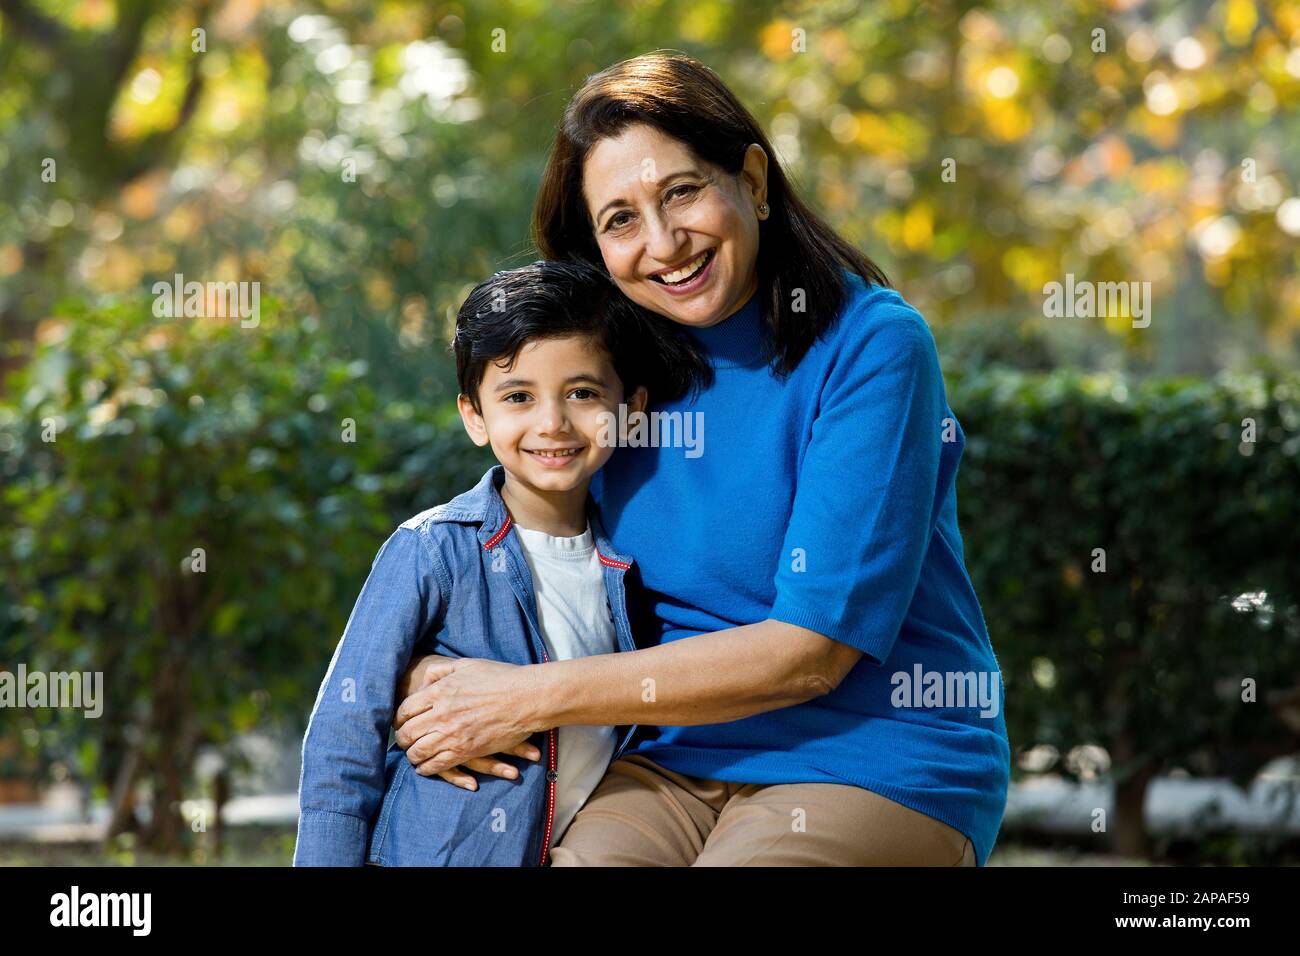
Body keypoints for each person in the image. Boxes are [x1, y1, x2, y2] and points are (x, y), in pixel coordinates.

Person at [393, 51, 1011, 866]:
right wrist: (424, 672)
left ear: (752, 180)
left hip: (877, 753)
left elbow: (810, 654)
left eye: (681, 191)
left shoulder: (873, 347)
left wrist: (527, 698)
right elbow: (518, 545)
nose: (663, 242)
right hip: (669, 761)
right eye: (619, 220)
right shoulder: (601, 373)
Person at [293, 259, 707, 865]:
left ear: (631, 407)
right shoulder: (431, 548)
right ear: (474, 416)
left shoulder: (631, 567)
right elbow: (343, 736)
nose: (553, 422)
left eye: (583, 393)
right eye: (518, 396)